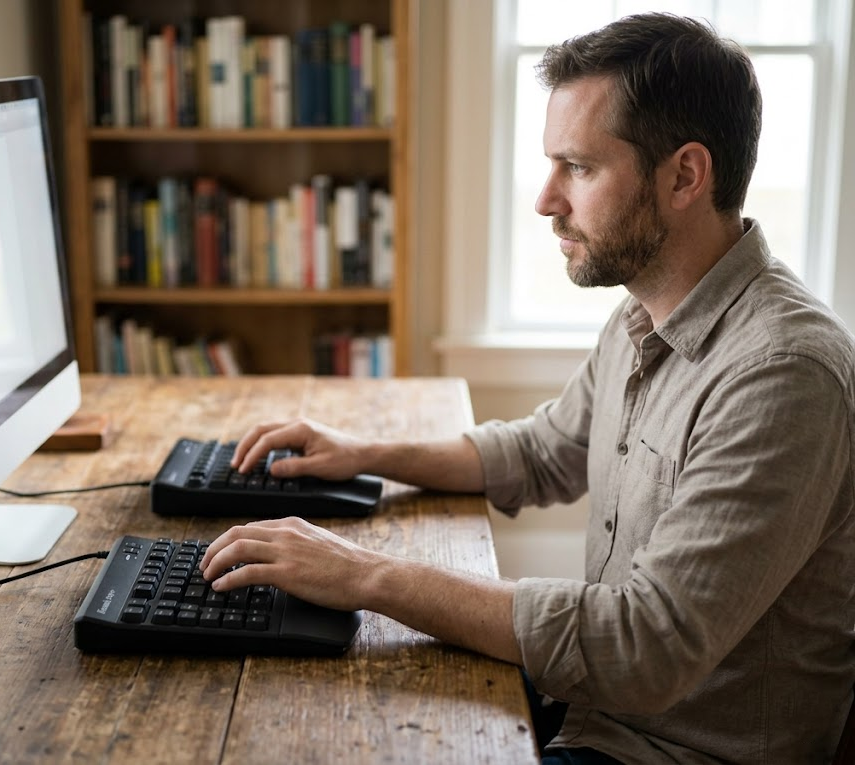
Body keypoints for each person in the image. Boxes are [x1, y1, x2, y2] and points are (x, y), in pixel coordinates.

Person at [199, 13, 855, 764]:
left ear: (684, 175)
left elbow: (642, 644)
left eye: (578, 167)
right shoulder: (646, 308)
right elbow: (544, 451)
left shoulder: (784, 373)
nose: (546, 200)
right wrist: (361, 453)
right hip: (596, 712)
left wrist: (368, 574)